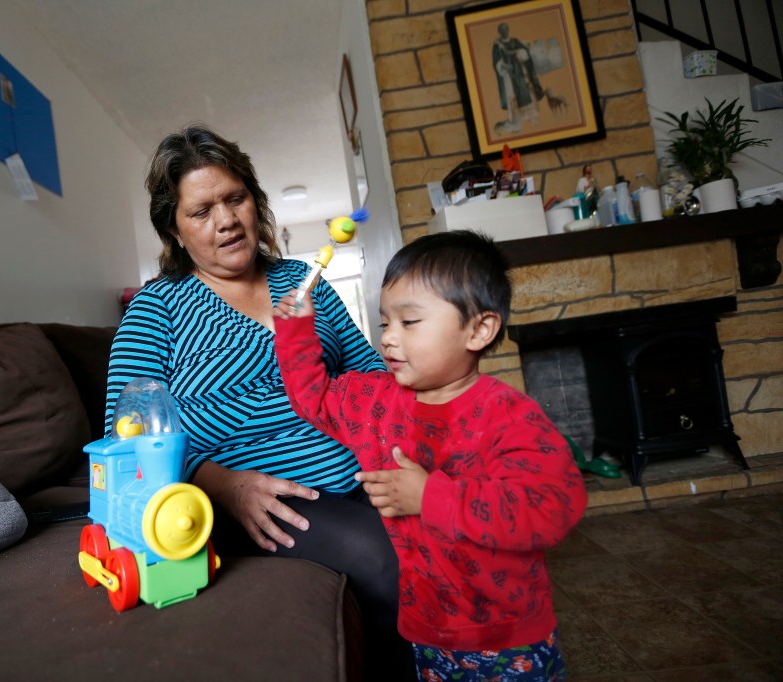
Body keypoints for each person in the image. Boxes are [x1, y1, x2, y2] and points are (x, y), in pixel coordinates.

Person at [104, 124, 412, 679]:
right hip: (259, 496)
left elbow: (369, 375)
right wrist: (223, 486)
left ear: (255, 201)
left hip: (360, 470)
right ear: (173, 229)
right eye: (200, 211)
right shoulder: (156, 308)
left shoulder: (303, 281)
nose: (225, 220)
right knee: (382, 558)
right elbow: (124, 431)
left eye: (235, 198)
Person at [273, 230, 588, 681]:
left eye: (409, 322)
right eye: (385, 323)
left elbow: (555, 506)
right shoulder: (376, 402)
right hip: (426, 632)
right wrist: (296, 328)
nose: (389, 339)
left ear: (479, 329)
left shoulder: (507, 416)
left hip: (507, 638)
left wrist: (431, 498)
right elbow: (315, 399)